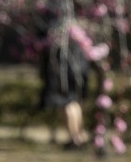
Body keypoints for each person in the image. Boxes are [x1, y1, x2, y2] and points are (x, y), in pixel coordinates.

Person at [37, 10, 91, 149]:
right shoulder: (76, 36)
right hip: (76, 74)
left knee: (67, 104)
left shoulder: (59, 36)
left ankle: (74, 138)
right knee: (74, 103)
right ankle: (79, 136)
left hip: (65, 75)